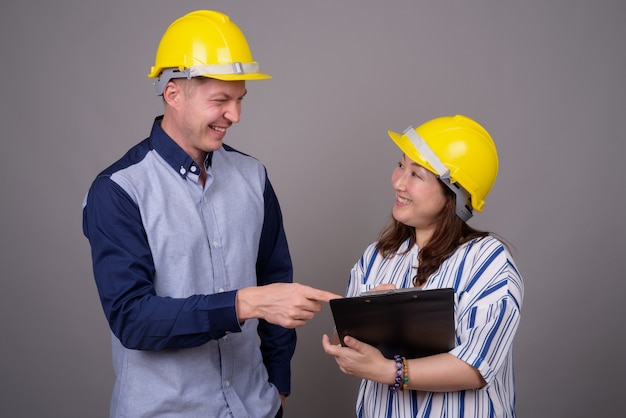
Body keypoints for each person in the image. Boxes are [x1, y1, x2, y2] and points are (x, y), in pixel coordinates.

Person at [82, 10, 341, 418]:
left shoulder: (253, 177)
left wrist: (278, 386)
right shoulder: (118, 191)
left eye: (239, 100)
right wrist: (243, 303)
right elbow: (133, 319)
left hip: (255, 406)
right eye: (220, 101)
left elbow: (275, 280)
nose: (234, 116)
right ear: (173, 94)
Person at [322, 115, 524, 417]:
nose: (398, 181)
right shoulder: (377, 257)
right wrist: (360, 318)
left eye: (417, 175)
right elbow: (347, 343)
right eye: (401, 165)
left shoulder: (487, 261)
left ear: (452, 196)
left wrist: (391, 371)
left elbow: (476, 366)